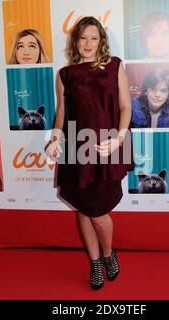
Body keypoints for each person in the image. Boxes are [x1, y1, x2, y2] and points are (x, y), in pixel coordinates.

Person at [44, 16, 135, 290]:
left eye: (94, 38)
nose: (88, 43)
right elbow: (62, 113)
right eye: (83, 37)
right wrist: (55, 138)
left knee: (98, 211)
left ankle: (108, 254)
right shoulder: (65, 74)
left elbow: (125, 108)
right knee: (84, 209)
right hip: (77, 149)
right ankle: (96, 261)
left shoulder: (115, 66)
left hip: (107, 147)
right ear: (76, 41)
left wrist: (119, 139)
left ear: (101, 41)